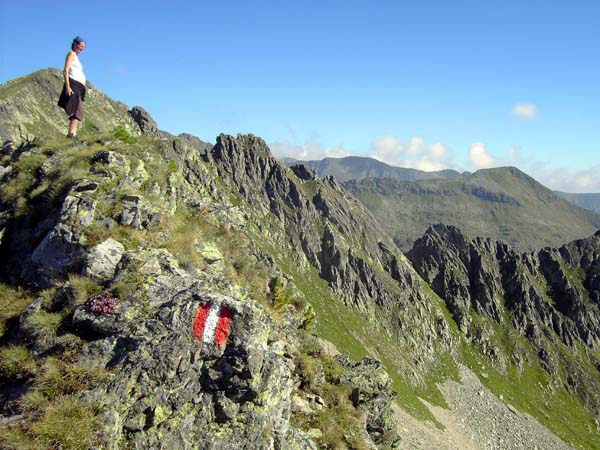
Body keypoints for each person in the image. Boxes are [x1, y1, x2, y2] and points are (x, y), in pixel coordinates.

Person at [58, 36, 87, 140]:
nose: (82, 48)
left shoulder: (76, 56)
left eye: (84, 47)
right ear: (75, 44)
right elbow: (65, 70)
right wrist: (68, 87)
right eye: (81, 46)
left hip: (78, 86)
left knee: (77, 109)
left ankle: (73, 134)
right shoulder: (72, 54)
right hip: (73, 84)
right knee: (76, 109)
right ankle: (71, 134)